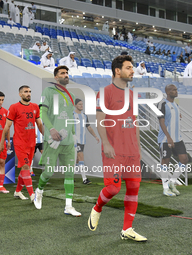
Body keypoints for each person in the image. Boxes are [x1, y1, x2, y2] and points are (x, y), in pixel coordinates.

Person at [88, 55, 147, 242]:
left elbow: (135, 123)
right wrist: (105, 143)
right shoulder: (105, 93)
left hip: (132, 152)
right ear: (117, 71)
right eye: (129, 67)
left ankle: (127, 229)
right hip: (113, 150)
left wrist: (138, 147)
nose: (132, 71)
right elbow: (99, 120)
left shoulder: (133, 95)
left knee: (133, 188)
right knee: (113, 188)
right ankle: (97, 207)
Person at [33, 65, 80, 216]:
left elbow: (71, 116)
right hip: (52, 141)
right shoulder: (49, 91)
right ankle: (39, 191)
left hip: (68, 143)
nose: (66, 75)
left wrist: (74, 136)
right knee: (49, 172)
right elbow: (43, 113)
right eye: (62, 73)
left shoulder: (71, 94)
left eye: (67, 73)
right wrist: (52, 129)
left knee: (69, 173)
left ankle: (68, 206)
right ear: (56, 77)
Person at [0, 85, 42, 201]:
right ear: (20, 94)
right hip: (20, 143)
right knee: (26, 166)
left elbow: (39, 124)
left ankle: (17, 191)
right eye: (26, 92)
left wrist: (47, 137)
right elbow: (7, 127)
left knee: (25, 169)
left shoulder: (35, 107)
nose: (28, 94)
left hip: (32, 142)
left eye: (30, 92)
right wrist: (2, 142)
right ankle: (33, 195)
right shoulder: (14, 107)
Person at [157, 84, 188, 197]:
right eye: (174, 90)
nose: (176, 91)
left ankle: (171, 182)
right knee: (165, 162)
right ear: (168, 92)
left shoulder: (176, 104)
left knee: (184, 159)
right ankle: (165, 189)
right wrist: (168, 137)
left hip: (177, 138)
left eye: (176, 89)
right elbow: (161, 121)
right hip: (166, 139)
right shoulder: (162, 104)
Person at [73, 98, 99, 185]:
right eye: (79, 104)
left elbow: (89, 127)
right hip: (74, 140)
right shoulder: (71, 115)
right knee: (81, 156)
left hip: (82, 141)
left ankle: (70, 176)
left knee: (76, 160)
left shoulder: (84, 116)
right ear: (75, 105)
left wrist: (95, 136)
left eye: (82, 104)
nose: (81, 106)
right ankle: (84, 179)